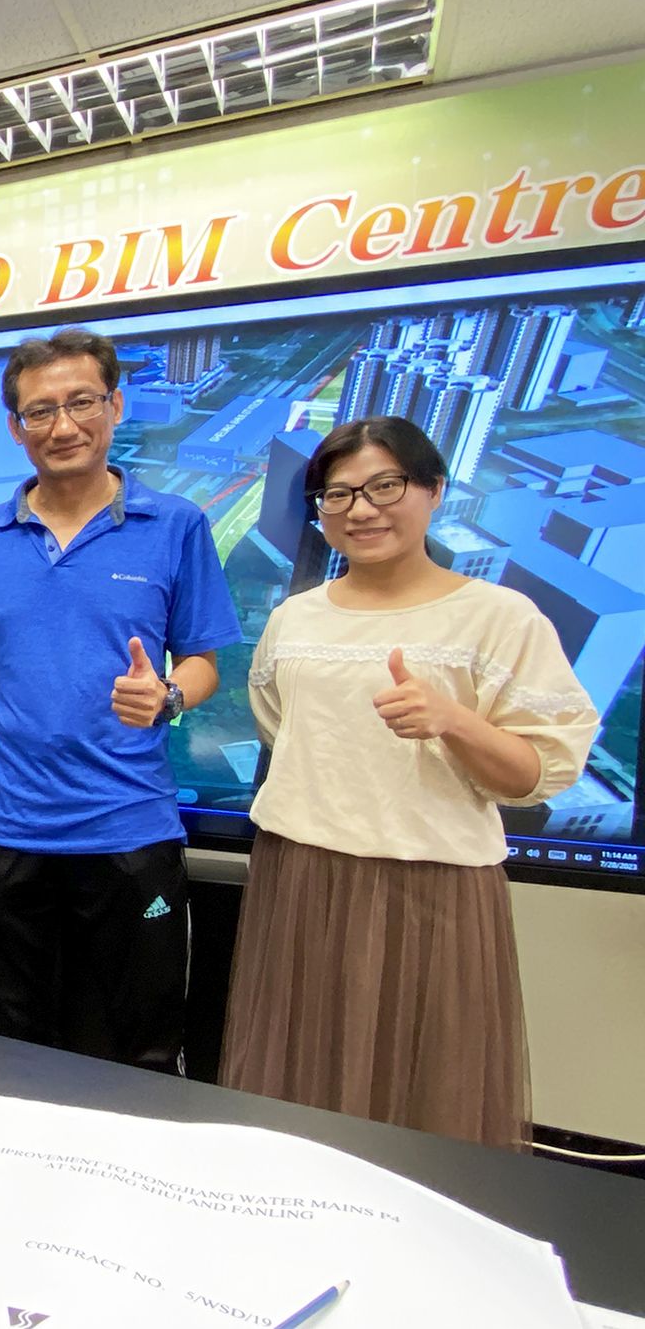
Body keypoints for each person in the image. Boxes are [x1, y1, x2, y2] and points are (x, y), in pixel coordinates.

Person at [222, 417, 596, 1148]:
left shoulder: (498, 617)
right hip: (301, 875)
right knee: (297, 1088)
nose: (360, 509)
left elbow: (538, 772)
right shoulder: (296, 618)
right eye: (337, 494)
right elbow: (280, 726)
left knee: (430, 1098)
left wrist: (454, 720)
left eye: (384, 485)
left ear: (433, 491)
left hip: (433, 888)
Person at [0, 328, 237, 1073]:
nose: (63, 425)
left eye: (81, 402)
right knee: (14, 1036)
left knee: (139, 1041)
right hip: (4, 828)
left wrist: (168, 696)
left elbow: (204, 662)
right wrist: (18, 735)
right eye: (39, 410)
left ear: (114, 406)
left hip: (128, 828)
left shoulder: (174, 525)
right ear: (16, 428)